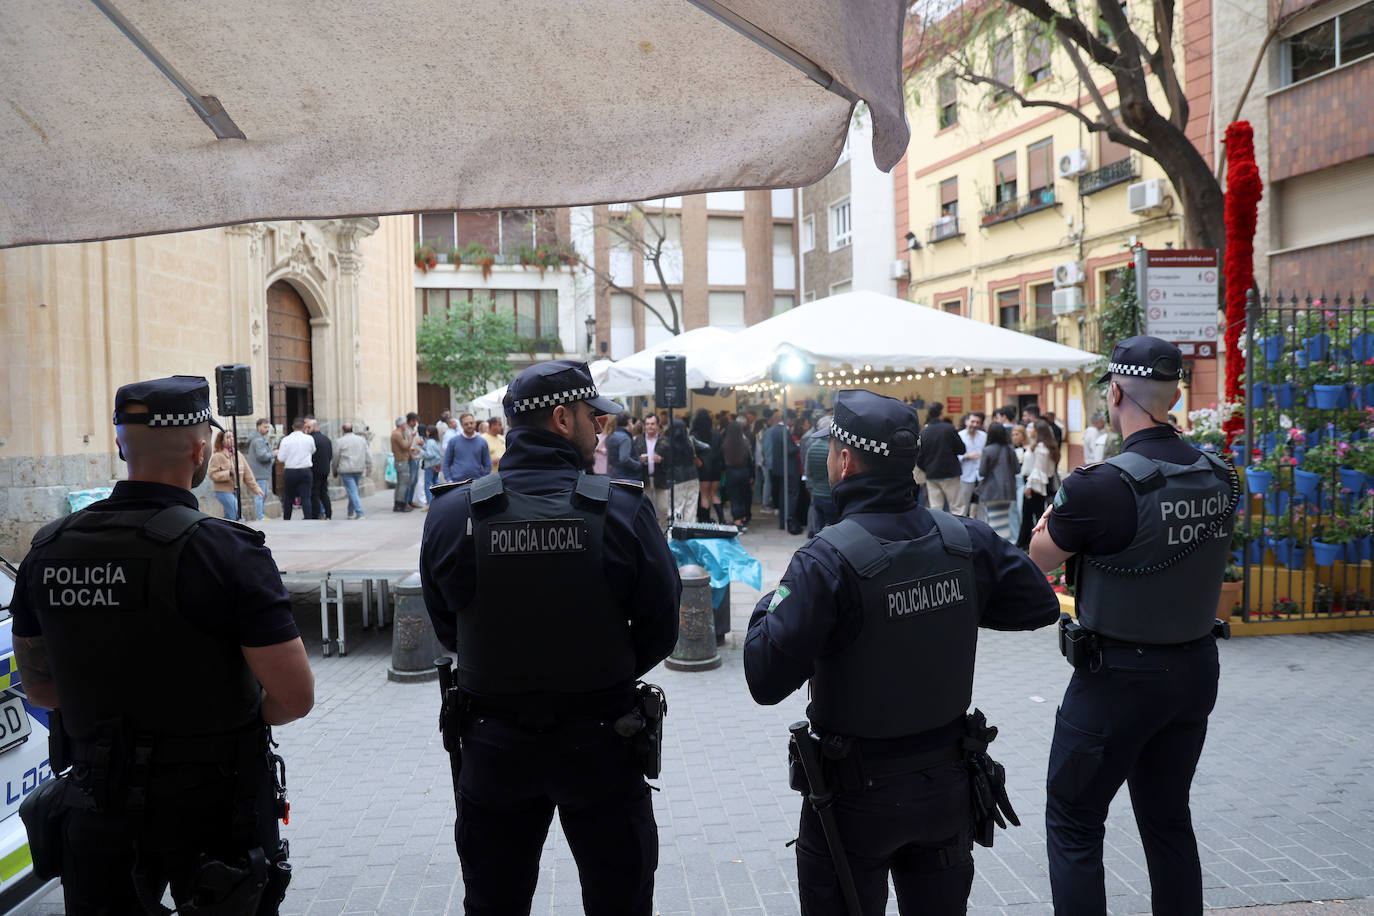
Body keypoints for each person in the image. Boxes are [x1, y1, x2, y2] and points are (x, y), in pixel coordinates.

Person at [744, 389, 1059, 914]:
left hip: (854, 797)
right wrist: (955, 604)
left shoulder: (824, 560)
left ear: (843, 461)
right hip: (946, 787)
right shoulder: (965, 539)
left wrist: (772, 603)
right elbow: (1039, 604)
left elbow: (765, 678)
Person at [9, 375, 314, 913]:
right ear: (200, 451)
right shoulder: (226, 552)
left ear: (122, 446)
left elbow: (45, 692)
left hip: (96, 801)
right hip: (216, 807)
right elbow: (293, 698)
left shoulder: (49, 548)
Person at [419, 359, 680, 915]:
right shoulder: (623, 511)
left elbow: (448, 628)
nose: (600, 429)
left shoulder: (450, 513)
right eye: (594, 417)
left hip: (493, 746)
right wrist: (599, 671)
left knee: (494, 903)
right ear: (563, 419)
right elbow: (662, 628)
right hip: (603, 741)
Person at [1028, 336, 1238, 915]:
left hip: (1116, 678)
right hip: (1194, 670)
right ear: (1173, 395)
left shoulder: (1100, 485)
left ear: (1115, 392)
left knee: (1073, 820)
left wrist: (1056, 512)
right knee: (1169, 819)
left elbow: (1036, 557)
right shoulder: (1220, 474)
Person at [1016, 419, 1059, 550]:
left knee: (1033, 516)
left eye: (1032, 428)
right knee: (1033, 515)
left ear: (1038, 431)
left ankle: (1030, 544)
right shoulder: (1043, 446)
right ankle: (1027, 543)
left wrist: (1029, 486)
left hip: (1036, 485)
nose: (1029, 430)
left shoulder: (1041, 448)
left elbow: (1038, 470)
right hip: (1038, 484)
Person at [917, 402, 965, 515]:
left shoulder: (924, 432)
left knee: (935, 508)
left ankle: (939, 531)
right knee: (957, 507)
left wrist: (927, 468)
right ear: (941, 413)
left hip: (932, 475)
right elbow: (961, 449)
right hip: (950, 473)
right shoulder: (949, 428)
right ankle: (960, 531)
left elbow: (918, 458)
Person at [977, 422, 1019, 541]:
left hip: (991, 490)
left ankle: (996, 546)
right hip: (1008, 491)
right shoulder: (1010, 449)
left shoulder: (987, 450)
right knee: (1004, 520)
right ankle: (1005, 544)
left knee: (994, 520)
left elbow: (982, 472)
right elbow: (1017, 469)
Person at [209, 428, 262, 520]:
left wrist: (256, 489)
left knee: (229, 517)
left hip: (235, 491)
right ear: (222, 441)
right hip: (222, 491)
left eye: (233, 436)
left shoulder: (238, 455)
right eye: (228, 437)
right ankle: (241, 529)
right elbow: (212, 474)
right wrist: (228, 473)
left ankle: (224, 532)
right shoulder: (217, 456)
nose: (231, 439)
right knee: (237, 513)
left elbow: (248, 475)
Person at [633, 413, 671, 530]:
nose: (650, 427)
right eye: (648, 424)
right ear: (644, 425)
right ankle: (649, 534)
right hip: (644, 478)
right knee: (646, 510)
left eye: (653, 424)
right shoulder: (638, 440)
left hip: (660, 478)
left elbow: (671, 461)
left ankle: (662, 534)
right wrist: (638, 460)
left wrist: (662, 460)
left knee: (664, 508)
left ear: (658, 425)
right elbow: (632, 458)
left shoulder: (664, 440)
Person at [803, 415, 837, 535]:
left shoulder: (812, 447)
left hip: (816, 493)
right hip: (829, 494)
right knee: (830, 529)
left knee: (818, 527)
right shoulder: (832, 449)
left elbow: (808, 471)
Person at [277, 416, 316, 520]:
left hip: (291, 471)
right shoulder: (309, 438)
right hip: (305, 470)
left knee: (288, 497)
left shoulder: (286, 440)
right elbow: (313, 451)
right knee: (306, 497)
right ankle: (308, 518)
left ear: (292, 427)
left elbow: (280, 458)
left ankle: (287, 518)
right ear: (304, 427)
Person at [691, 408, 725, 524]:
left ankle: (704, 521)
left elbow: (693, 452)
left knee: (704, 496)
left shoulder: (694, 435)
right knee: (714, 494)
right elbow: (721, 451)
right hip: (716, 467)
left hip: (703, 467)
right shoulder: (716, 433)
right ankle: (722, 520)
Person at [333, 421, 373, 519]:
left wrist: (334, 470)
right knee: (353, 490)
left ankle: (359, 512)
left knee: (352, 490)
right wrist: (369, 468)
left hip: (346, 469)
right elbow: (369, 456)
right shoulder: (361, 440)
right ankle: (350, 512)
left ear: (343, 430)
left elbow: (336, 457)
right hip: (358, 468)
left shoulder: (340, 441)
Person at [666, 417, 701, 526]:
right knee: (691, 508)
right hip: (693, 477)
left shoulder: (668, 444)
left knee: (676, 508)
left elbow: (666, 464)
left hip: (676, 479)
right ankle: (689, 534)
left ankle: (675, 535)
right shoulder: (690, 442)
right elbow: (706, 447)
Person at [722, 418, 754, 530]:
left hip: (731, 472)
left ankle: (737, 521)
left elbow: (722, 461)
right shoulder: (745, 443)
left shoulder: (725, 444)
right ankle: (744, 518)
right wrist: (751, 475)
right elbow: (750, 459)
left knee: (734, 498)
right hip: (744, 471)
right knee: (743, 496)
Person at [443, 412, 491, 484]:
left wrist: (483, 479)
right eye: (466, 424)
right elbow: (446, 463)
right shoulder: (453, 441)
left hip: (477, 483)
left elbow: (488, 463)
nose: (469, 425)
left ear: (475, 423)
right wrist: (449, 480)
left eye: (471, 423)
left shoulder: (482, 442)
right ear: (462, 425)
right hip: (457, 483)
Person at [957, 411, 987, 518]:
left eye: (977, 422)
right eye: (972, 421)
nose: (974, 425)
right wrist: (967, 456)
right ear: (966, 422)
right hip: (965, 474)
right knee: (963, 505)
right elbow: (954, 455)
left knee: (982, 505)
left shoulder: (984, 436)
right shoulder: (959, 436)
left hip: (981, 475)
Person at [246, 418, 275, 520]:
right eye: (265, 427)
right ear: (258, 427)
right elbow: (261, 455)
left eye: (268, 427)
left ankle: (261, 514)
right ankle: (260, 516)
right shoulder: (258, 440)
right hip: (259, 472)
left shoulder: (260, 438)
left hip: (262, 472)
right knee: (260, 494)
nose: (267, 429)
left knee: (264, 494)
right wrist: (273, 454)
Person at [305, 416, 333, 520]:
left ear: (314, 427)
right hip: (325, 470)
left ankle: (316, 514)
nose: (306, 429)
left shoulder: (311, 439)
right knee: (324, 492)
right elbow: (330, 455)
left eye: (308, 427)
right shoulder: (326, 439)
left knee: (315, 493)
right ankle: (328, 514)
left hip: (315, 470)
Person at [390, 416, 414, 513]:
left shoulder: (397, 433)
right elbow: (405, 446)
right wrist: (412, 437)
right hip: (402, 461)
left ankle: (397, 504)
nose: (406, 425)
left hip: (400, 461)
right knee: (403, 484)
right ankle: (400, 505)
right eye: (404, 424)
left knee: (400, 484)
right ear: (401, 425)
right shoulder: (397, 434)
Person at [1009, 424, 1029, 540]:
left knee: (1022, 508)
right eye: (1013, 435)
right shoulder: (1011, 448)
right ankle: (1016, 536)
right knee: (1014, 509)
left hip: (1025, 480)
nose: (1014, 437)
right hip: (1014, 480)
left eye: (1017, 434)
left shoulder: (1029, 448)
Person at [606, 413, 639, 481]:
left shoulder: (611, 435)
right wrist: (637, 464)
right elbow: (624, 458)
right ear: (629, 422)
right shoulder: (625, 438)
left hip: (614, 474)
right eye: (632, 422)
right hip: (626, 476)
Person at [421, 425, 445, 503]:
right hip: (436, 465)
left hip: (430, 465)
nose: (426, 432)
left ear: (430, 432)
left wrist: (420, 451)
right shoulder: (436, 441)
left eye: (427, 431)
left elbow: (430, 454)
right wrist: (423, 445)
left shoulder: (430, 441)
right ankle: (437, 502)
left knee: (428, 485)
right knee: (435, 483)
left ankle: (429, 503)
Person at [405, 412, 424, 508]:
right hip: (411, 457)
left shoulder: (414, 429)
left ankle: (410, 500)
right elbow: (407, 445)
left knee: (415, 480)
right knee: (410, 480)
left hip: (417, 456)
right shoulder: (406, 431)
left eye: (415, 421)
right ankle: (406, 501)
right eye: (413, 421)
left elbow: (416, 441)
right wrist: (411, 452)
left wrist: (420, 443)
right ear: (409, 421)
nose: (415, 422)